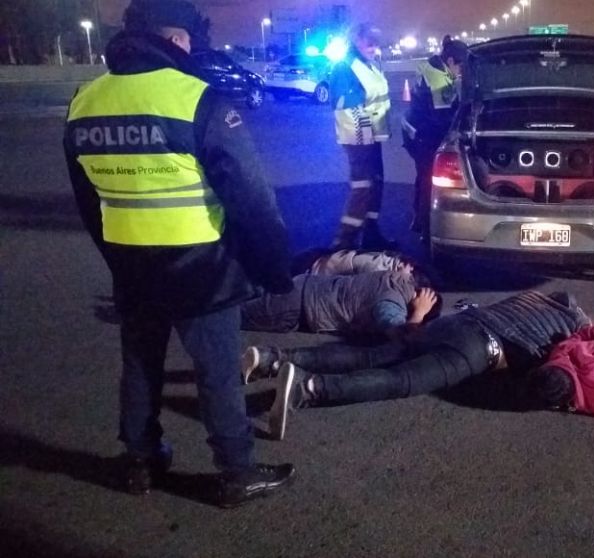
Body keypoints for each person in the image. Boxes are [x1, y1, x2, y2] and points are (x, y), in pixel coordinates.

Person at [63, 0, 296, 508]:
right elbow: (251, 197)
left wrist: (116, 255)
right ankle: (236, 470)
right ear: (173, 40)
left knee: (141, 363)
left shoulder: (85, 100)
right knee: (216, 371)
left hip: (131, 262)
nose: (191, 46)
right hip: (202, 266)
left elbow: (88, 200)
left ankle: (139, 461)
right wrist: (275, 266)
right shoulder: (197, 99)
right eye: (188, 38)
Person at [244, 291, 590, 439]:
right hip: (478, 349)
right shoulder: (569, 332)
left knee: (372, 355)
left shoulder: (532, 301)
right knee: (399, 380)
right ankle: (307, 389)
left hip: (454, 325)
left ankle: (274, 359)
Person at [329, 23, 394, 251]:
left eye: (377, 43)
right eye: (370, 42)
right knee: (362, 187)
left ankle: (371, 233)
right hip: (359, 140)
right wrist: (365, 140)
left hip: (373, 137)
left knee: (376, 184)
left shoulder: (369, 64)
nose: (374, 47)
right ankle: (343, 242)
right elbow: (348, 110)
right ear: (356, 39)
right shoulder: (347, 67)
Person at [240, 268, 439, 338]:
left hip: (304, 283)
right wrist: (419, 314)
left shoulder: (394, 277)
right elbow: (400, 335)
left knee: (236, 293)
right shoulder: (392, 302)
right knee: (233, 316)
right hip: (297, 307)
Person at [402, 36, 470, 239]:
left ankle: (417, 219)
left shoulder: (431, 67)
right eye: (461, 67)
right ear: (450, 61)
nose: (461, 72)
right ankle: (426, 227)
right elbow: (443, 119)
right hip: (424, 135)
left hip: (413, 131)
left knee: (421, 176)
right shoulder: (439, 79)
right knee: (429, 180)